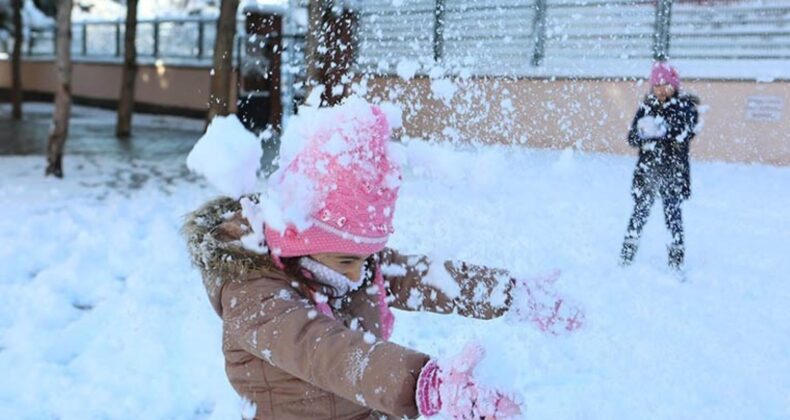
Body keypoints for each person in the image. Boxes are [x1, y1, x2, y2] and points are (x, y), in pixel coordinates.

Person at [183, 98, 584, 419]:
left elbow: (424, 277)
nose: (359, 273)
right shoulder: (254, 296)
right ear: (295, 242)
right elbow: (327, 351)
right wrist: (422, 384)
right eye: (346, 261)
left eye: (367, 257)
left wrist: (507, 293)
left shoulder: (343, 263)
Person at [620, 61, 700, 271]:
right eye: (656, 85)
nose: (661, 89)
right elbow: (632, 138)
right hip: (647, 172)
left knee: (672, 214)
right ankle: (627, 253)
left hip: (673, 172)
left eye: (666, 85)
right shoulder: (646, 107)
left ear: (674, 85)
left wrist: (661, 131)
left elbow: (685, 132)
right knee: (639, 212)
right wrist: (642, 134)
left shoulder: (685, 107)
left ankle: (676, 258)